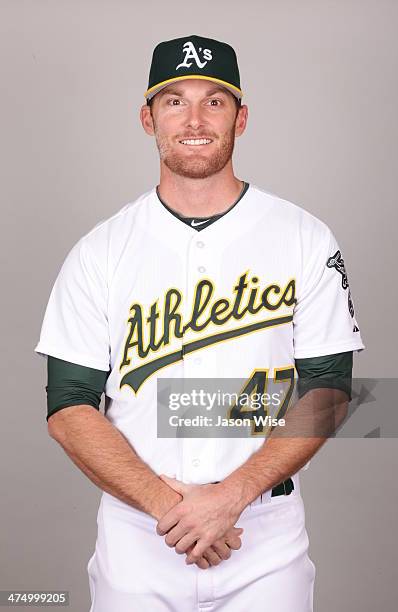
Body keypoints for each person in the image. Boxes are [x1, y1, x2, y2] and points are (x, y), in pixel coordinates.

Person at [34, 34, 365, 612]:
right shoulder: (100, 251)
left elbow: (329, 388)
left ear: (242, 117)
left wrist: (231, 496)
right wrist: (171, 508)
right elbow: (68, 405)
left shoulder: (304, 237)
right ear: (147, 117)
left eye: (214, 101)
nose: (194, 118)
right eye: (173, 100)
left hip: (264, 532)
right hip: (138, 532)